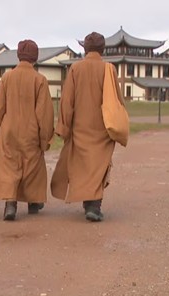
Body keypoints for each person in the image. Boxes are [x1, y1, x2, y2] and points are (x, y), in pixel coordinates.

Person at [50, 32, 125, 222]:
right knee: (99, 166)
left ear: (84, 48)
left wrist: (64, 127)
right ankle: (94, 204)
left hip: (80, 127)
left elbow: (67, 101)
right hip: (102, 127)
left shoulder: (76, 69)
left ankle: (88, 203)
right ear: (103, 49)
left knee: (82, 166)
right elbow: (117, 99)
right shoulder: (109, 69)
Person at [0, 39, 55, 221]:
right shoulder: (40, 80)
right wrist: (44, 139)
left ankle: (10, 203)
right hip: (31, 132)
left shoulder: (7, 77)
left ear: (18, 55)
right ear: (35, 57)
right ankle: (34, 201)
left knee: (9, 166)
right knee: (33, 166)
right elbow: (44, 114)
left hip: (8, 131)